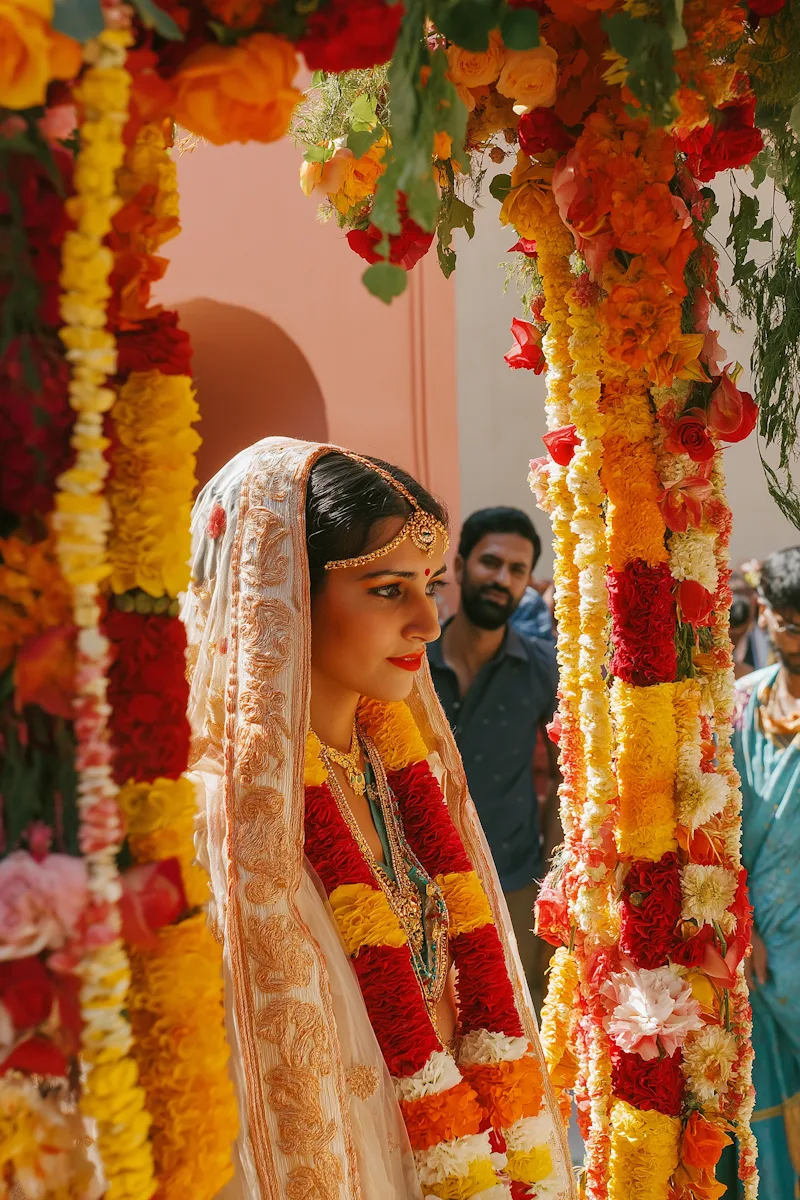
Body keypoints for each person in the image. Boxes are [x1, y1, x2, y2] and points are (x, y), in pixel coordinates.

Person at [183, 439, 574, 1200]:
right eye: (390, 590)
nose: (429, 621)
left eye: (429, 585)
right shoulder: (221, 818)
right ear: (284, 593)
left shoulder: (408, 776)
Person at [427, 506, 560, 1008]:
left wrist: (551, 879)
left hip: (512, 882)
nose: (501, 578)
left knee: (513, 1023)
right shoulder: (410, 662)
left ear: (528, 582)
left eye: (517, 570)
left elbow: (567, 780)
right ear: (459, 566)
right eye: (490, 562)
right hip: (419, 888)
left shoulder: (542, 668)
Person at [720, 546, 800, 1198]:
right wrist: (742, 929)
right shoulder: (738, 706)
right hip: (755, 955)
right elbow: (715, 835)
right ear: (765, 616)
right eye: (792, 623)